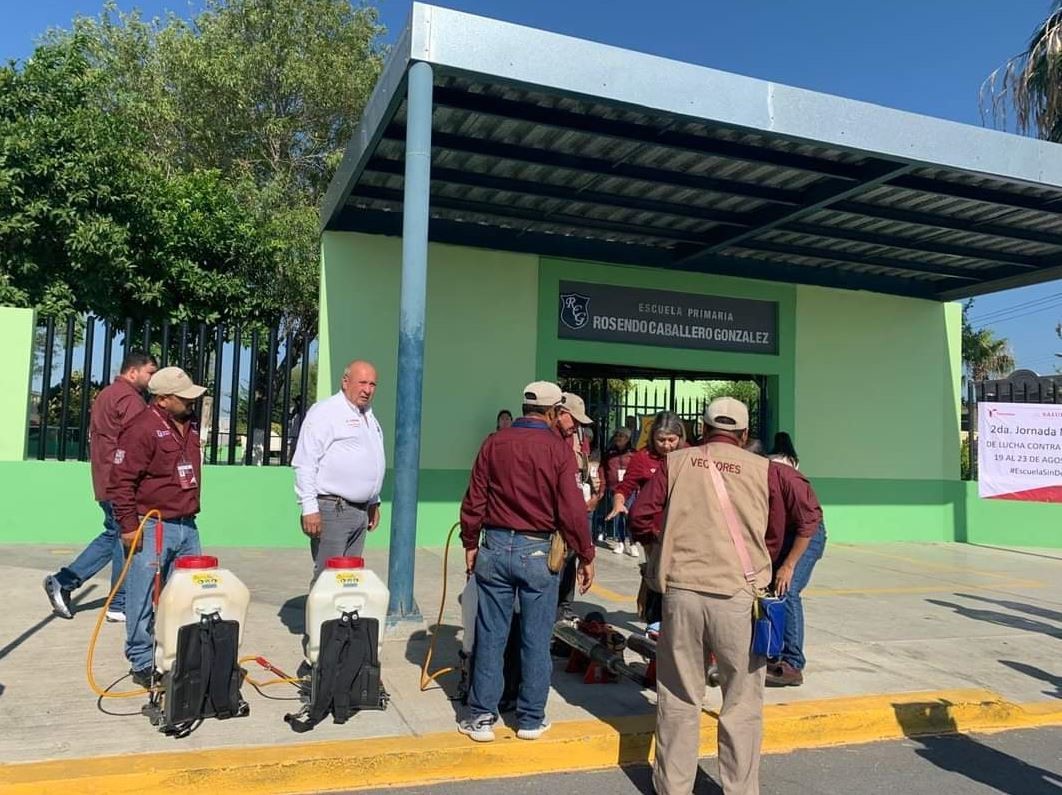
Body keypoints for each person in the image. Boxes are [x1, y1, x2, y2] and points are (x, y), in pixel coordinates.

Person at [629, 397, 821, 795]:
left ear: (701, 429)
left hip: (681, 593)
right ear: (745, 434)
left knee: (680, 696)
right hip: (738, 595)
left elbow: (640, 516)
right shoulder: (767, 470)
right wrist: (778, 565)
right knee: (741, 702)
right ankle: (738, 788)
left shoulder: (677, 462)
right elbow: (801, 519)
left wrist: (662, 549)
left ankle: (673, 787)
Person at [458, 381, 595, 743]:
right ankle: (531, 718)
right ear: (553, 412)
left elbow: (475, 498)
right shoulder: (557, 450)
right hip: (538, 551)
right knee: (535, 638)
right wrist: (586, 554)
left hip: (495, 545)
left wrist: (470, 541)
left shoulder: (494, 442)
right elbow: (571, 509)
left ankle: (482, 716)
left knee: (490, 635)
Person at [110, 366, 208, 686]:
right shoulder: (142, 428)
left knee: (187, 596)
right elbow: (122, 481)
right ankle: (141, 660)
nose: (191, 402)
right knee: (141, 597)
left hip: (187, 526)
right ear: (163, 400)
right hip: (152, 526)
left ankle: (179, 654)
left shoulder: (190, 427)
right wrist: (127, 526)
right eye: (184, 398)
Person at [43, 350, 158, 622]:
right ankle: (118, 603)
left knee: (114, 534)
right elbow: (139, 443)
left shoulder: (107, 394)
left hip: (106, 478)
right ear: (133, 371)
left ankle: (64, 581)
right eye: (150, 373)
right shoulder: (130, 400)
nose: (152, 379)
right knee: (125, 539)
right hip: (120, 482)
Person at [292, 360, 385, 580]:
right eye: (362, 382)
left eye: (372, 384)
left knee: (349, 578)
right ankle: (320, 616)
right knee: (328, 578)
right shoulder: (326, 412)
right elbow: (305, 462)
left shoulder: (369, 416)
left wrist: (373, 501)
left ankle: (339, 615)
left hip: (360, 512)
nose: (367, 390)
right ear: (345, 382)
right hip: (333, 509)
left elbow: (371, 461)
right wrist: (309, 508)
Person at [765, 433, 826, 688]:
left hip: (807, 535)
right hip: (786, 533)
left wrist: (789, 565)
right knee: (767, 589)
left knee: (786, 590)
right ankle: (771, 651)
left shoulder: (787, 476)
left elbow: (809, 523)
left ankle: (793, 663)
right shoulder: (755, 475)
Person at [605, 411, 687, 558]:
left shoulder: (689, 455)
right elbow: (625, 486)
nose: (666, 445)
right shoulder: (642, 457)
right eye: (661, 440)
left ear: (680, 437)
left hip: (684, 529)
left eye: (671, 440)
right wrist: (618, 502)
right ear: (652, 437)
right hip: (655, 533)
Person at [555, 392, 596, 621]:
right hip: (555, 523)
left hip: (576, 513)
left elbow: (585, 472)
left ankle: (564, 610)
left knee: (568, 567)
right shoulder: (551, 442)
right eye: (574, 419)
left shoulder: (576, 437)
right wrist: (588, 554)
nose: (578, 425)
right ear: (560, 414)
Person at [601, 427, 633, 546]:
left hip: (629, 489)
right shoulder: (609, 453)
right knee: (618, 515)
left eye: (622, 436)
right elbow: (603, 469)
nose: (618, 438)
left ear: (627, 438)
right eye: (617, 435)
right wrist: (603, 486)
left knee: (629, 515)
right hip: (614, 488)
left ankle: (632, 542)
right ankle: (620, 541)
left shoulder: (633, 453)